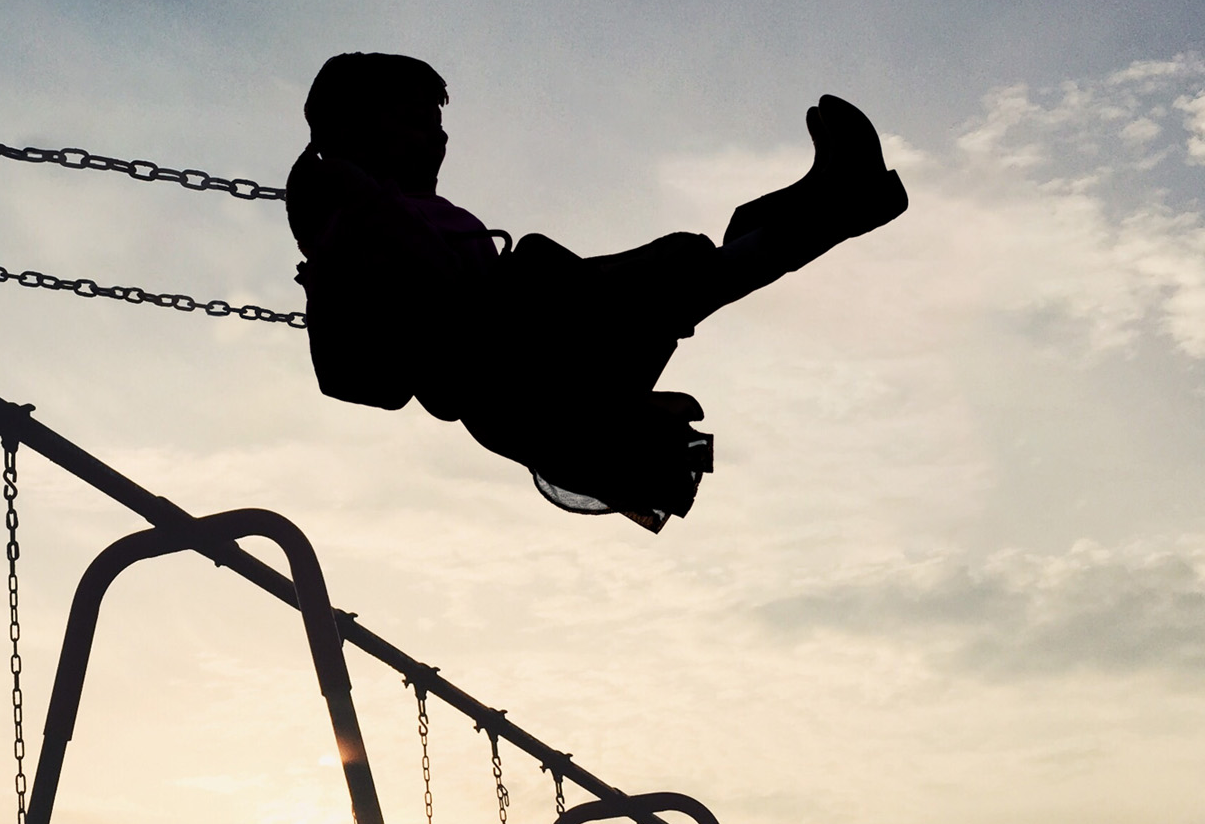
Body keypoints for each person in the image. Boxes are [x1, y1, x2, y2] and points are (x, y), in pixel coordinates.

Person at [286, 52, 907, 532]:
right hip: (523, 361)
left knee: (685, 262)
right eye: (415, 121)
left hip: (537, 343)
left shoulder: (398, 208)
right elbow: (400, 343)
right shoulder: (354, 214)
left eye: (438, 123)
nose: (438, 137)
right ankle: (844, 201)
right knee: (679, 270)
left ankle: (830, 200)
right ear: (350, 131)